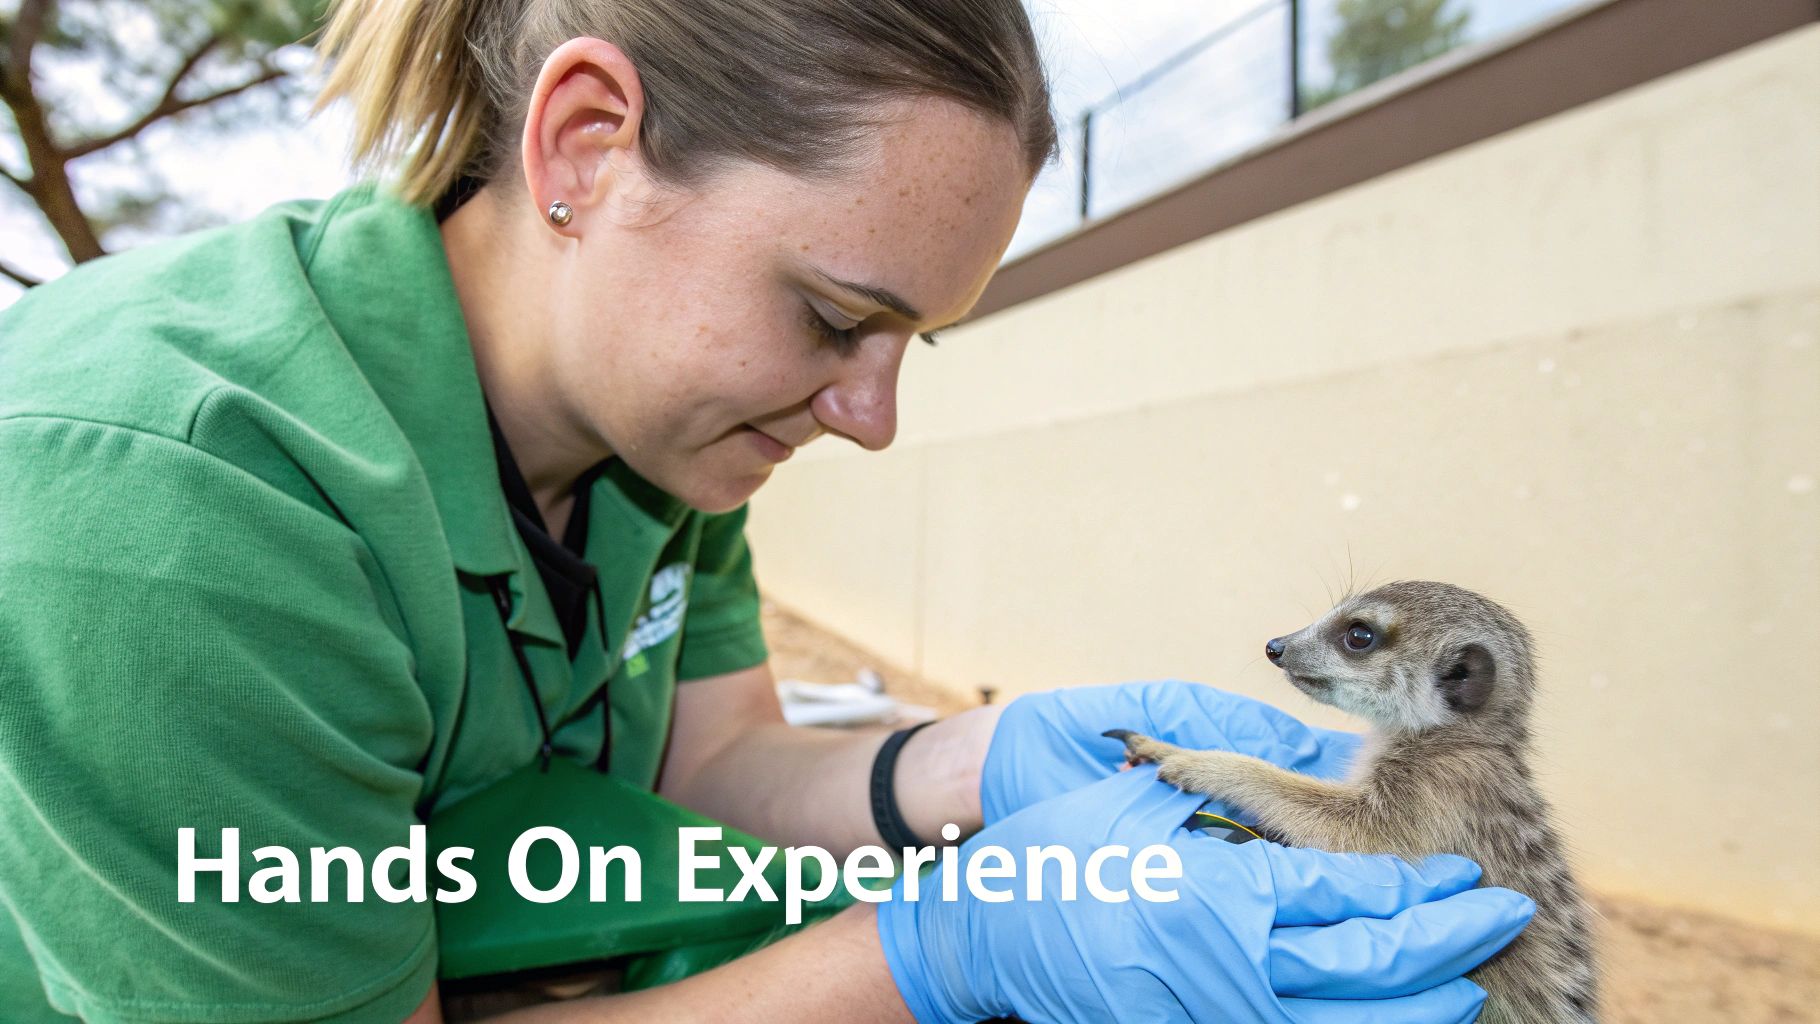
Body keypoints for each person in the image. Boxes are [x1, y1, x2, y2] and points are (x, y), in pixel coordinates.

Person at [0, 1, 1535, 1021]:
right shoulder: (173, 496)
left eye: (906, 345)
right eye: (827, 316)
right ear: (589, 146)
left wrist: (982, 765)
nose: (868, 419)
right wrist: (943, 947)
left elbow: (711, 756)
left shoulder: (660, 437)